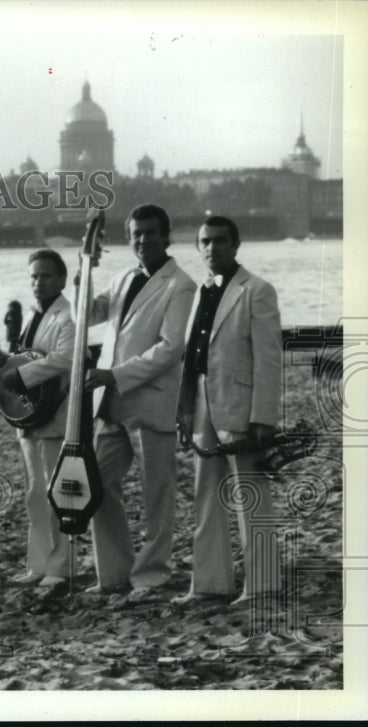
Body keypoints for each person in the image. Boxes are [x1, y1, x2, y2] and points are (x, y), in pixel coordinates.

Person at [81, 204, 196, 597]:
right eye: (136, 234)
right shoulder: (124, 276)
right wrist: (87, 269)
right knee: (95, 483)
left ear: (166, 237)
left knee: (156, 493)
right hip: (110, 402)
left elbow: (170, 348)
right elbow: (93, 314)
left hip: (149, 402)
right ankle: (114, 571)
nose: (143, 240)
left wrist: (116, 374)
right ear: (128, 238)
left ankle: (152, 574)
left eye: (150, 233)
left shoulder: (180, 285)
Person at [173, 216, 282, 606]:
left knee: (251, 494)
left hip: (240, 406)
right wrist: (183, 412)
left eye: (220, 241)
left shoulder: (257, 291)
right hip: (202, 401)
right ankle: (209, 584)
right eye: (204, 242)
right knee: (206, 495)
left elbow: (269, 360)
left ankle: (263, 585)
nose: (211, 248)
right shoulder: (201, 291)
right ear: (198, 247)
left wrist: (263, 417)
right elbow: (191, 359)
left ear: (235, 246)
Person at [0, 250, 77, 591]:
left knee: (57, 493)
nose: (38, 282)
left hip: (56, 416)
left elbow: (63, 360)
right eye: (34, 277)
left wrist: (18, 377)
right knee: (35, 494)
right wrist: (1, 359)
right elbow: (25, 359)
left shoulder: (68, 316)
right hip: (30, 417)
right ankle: (38, 563)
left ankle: (61, 565)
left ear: (62, 279)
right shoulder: (35, 316)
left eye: (46, 276)